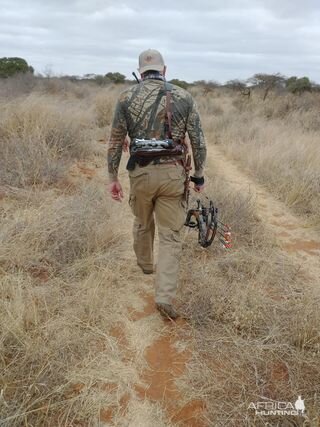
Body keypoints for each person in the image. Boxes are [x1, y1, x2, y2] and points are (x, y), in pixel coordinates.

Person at [107, 49, 206, 320]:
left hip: (140, 173)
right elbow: (198, 142)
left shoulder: (126, 97)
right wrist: (198, 176)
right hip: (173, 175)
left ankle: (146, 266)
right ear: (165, 70)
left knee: (142, 222)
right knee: (171, 236)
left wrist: (112, 178)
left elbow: (116, 141)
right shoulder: (184, 96)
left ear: (140, 72)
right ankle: (163, 295)